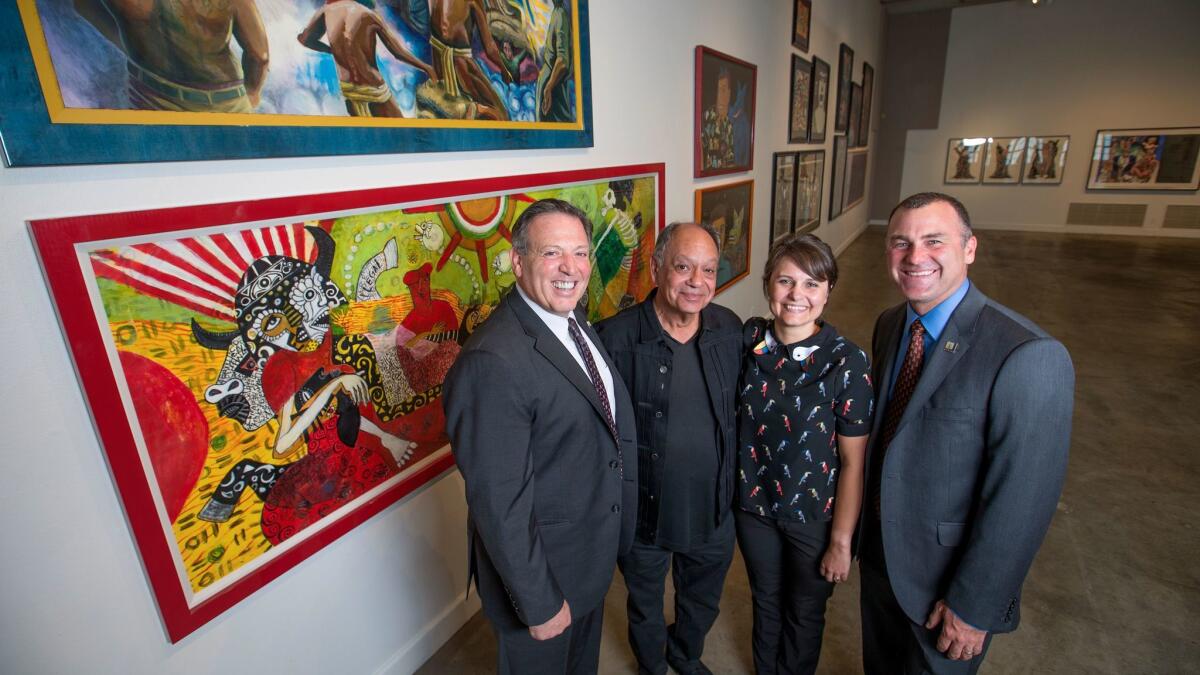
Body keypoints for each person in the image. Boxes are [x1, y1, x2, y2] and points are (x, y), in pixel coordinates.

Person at [859, 193, 1073, 674]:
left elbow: (1024, 498)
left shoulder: (1028, 354)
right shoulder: (891, 324)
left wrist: (975, 606)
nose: (916, 257)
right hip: (880, 560)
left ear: (970, 248)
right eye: (901, 243)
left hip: (946, 587)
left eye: (934, 241)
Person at [442, 199, 637, 674]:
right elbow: (499, 501)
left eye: (581, 253)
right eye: (552, 253)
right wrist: (540, 602)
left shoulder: (568, 319)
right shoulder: (494, 362)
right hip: (542, 581)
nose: (571, 268)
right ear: (517, 261)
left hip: (584, 560)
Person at [595, 222, 741, 675]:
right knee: (644, 604)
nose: (697, 282)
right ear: (657, 269)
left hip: (713, 509)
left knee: (702, 601)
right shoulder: (614, 339)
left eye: (708, 270)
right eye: (683, 267)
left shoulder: (729, 329)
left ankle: (686, 655)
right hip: (644, 515)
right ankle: (653, 666)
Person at [735, 233, 873, 675]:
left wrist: (841, 541)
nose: (798, 295)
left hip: (814, 516)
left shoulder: (846, 363)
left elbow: (853, 462)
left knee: (805, 613)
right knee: (767, 602)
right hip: (754, 507)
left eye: (812, 284)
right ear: (768, 285)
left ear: (829, 289)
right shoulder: (750, 341)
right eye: (786, 281)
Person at [74, 0, 269, 113]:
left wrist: (132, 47)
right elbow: (260, 56)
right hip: (225, 104)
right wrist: (252, 92)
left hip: (151, 97)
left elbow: (82, 5)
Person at [298, 0, 437, 118]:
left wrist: (331, 51)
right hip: (374, 90)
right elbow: (397, 52)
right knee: (400, 136)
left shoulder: (326, 11)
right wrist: (426, 67)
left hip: (350, 92)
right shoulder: (368, 15)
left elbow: (304, 40)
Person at [428, 0, 515, 120]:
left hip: (438, 66)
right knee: (502, 115)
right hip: (461, 68)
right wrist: (504, 70)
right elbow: (489, 48)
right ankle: (474, 109)